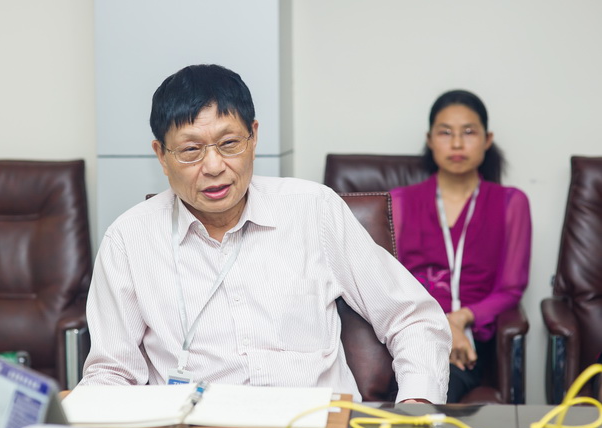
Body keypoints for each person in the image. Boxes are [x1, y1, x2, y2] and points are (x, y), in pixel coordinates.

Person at [78, 64, 451, 403]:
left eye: (229, 144)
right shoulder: (129, 240)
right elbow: (111, 373)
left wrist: (416, 408)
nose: (214, 166)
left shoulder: (314, 210)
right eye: (191, 150)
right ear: (161, 155)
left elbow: (413, 318)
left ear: (253, 137)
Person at [390, 90, 532, 403]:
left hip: (468, 341)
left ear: (487, 139)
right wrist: (440, 323)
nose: (456, 143)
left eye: (468, 132)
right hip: (409, 331)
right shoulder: (399, 202)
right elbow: (388, 284)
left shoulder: (511, 202)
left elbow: (511, 289)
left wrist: (460, 319)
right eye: (445, 133)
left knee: (435, 385)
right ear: (430, 139)